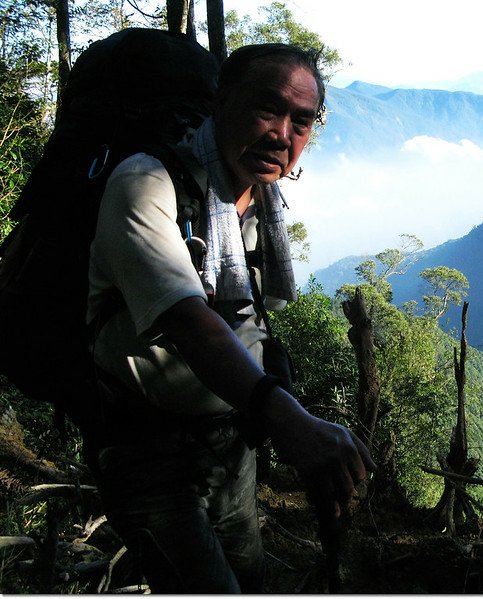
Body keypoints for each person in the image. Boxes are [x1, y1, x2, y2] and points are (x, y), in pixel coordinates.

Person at [82, 43, 375, 593]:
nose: (282, 134)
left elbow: (247, 317)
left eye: (302, 122)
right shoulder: (145, 183)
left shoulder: (256, 200)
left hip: (229, 446)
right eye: (268, 109)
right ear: (222, 101)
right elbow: (187, 320)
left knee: (252, 579)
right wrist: (290, 422)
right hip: (146, 453)